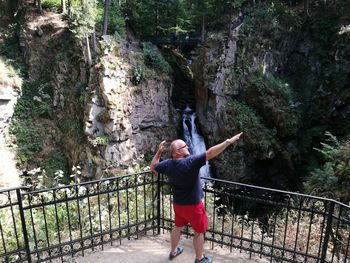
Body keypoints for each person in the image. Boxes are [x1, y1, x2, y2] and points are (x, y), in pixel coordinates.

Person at [150, 132, 243, 263]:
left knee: (177, 227)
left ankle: (173, 251)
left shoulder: (167, 165)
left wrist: (159, 152)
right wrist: (228, 141)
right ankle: (199, 259)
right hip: (194, 206)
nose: (188, 147)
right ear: (177, 152)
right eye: (184, 147)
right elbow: (210, 153)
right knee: (199, 232)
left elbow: (153, 167)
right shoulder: (191, 162)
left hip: (178, 205)